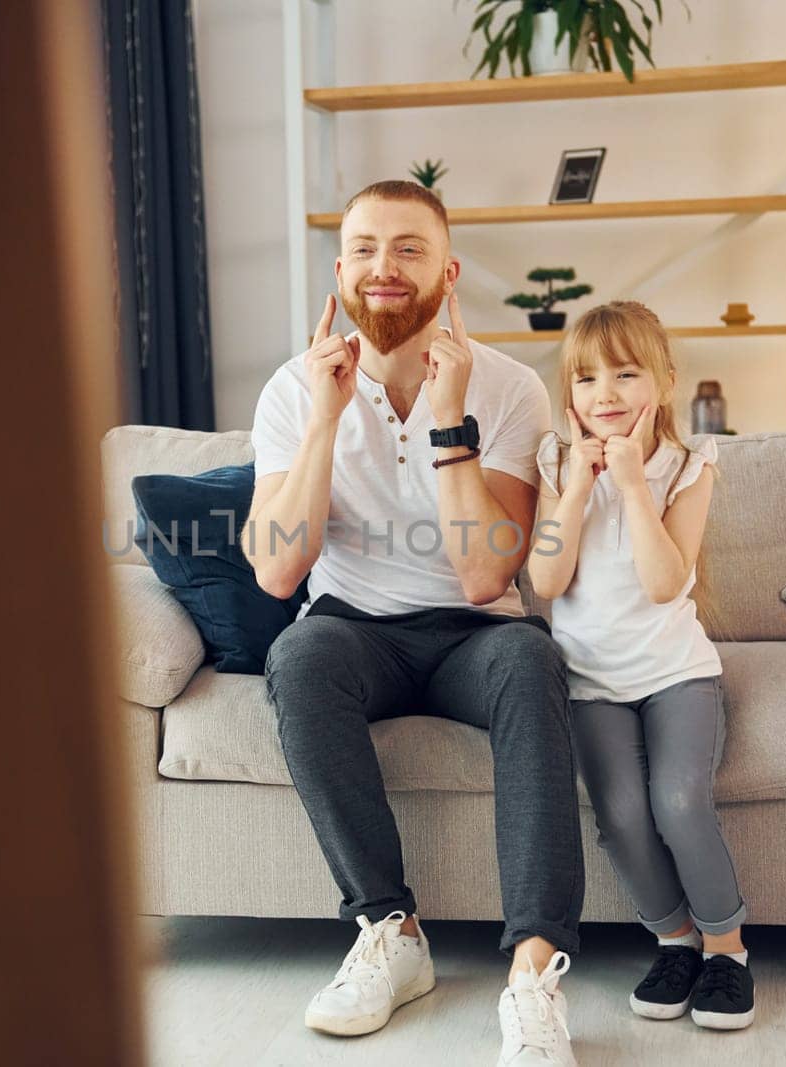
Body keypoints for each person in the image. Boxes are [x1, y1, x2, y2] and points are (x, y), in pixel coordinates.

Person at [245, 180, 585, 1066]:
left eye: (408, 249)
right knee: (301, 651)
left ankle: (532, 976)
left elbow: (483, 577)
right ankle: (390, 932)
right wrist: (325, 420)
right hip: (355, 626)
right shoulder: (292, 389)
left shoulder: (508, 389)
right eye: (363, 248)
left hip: (475, 635)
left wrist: (449, 418)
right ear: (340, 268)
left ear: (448, 271)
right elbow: (279, 568)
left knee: (529, 660)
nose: (383, 268)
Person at [527, 300, 755, 1031]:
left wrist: (630, 485)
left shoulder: (690, 465)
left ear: (662, 381)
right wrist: (576, 487)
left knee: (678, 802)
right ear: (571, 397)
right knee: (622, 815)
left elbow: (664, 581)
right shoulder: (556, 462)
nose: (607, 394)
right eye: (588, 379)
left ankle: (726, 948)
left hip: (675, 673)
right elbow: (546, 583)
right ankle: (675, 941)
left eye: (626, 373)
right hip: (592, 682)